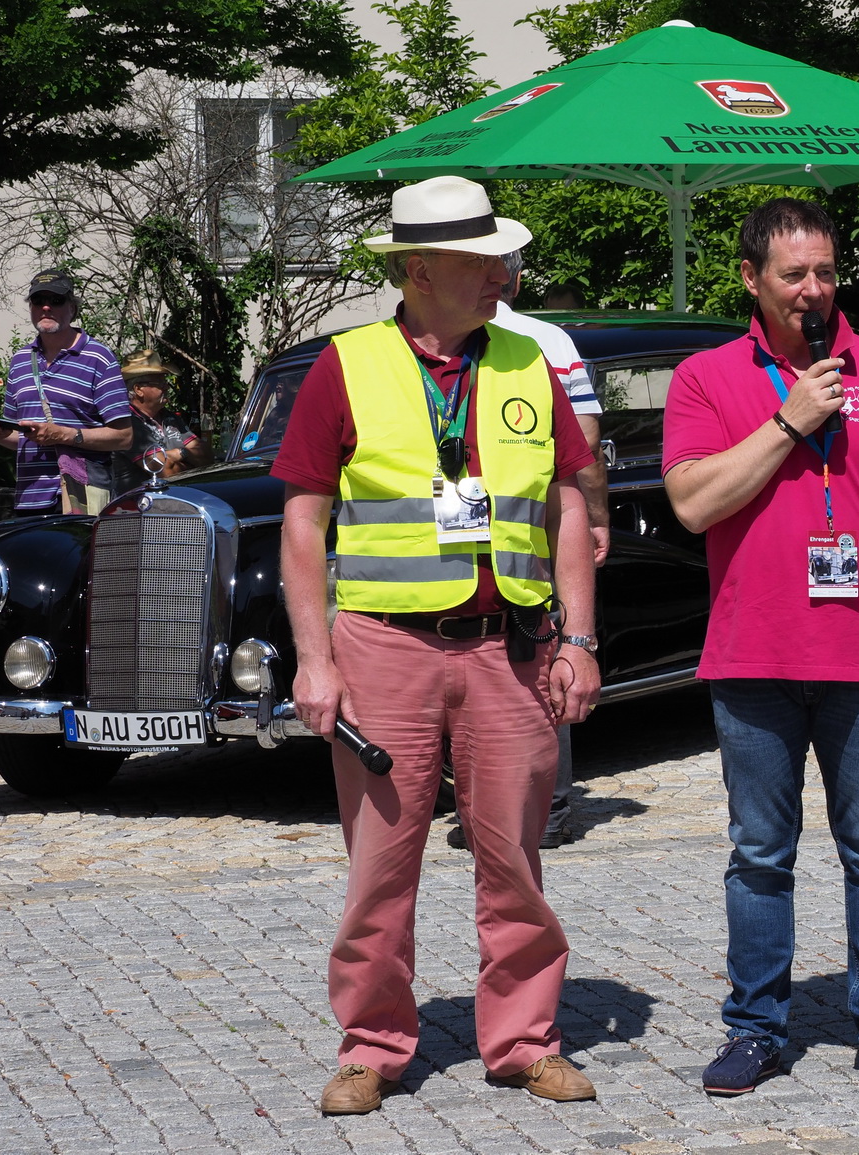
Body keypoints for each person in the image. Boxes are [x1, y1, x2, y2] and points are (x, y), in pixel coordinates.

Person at [274, 175, 602, 1115]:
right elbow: (304, 523)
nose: (503, 271)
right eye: (482, 258)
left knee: (517, 860)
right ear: (420, 270)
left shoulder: (527, 363)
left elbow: (570, 500)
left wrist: (579, 634)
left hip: (513, 647)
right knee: (382, 864)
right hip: (385, 650)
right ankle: (372, 1044)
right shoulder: (345, 365)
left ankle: (526, 1038)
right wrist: (314, 657)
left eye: (502, 255)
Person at [661, 197, 859, 1102]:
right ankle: (755, 1028)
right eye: (794, 274)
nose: (813, 290)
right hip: (752, 659)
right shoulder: (705, 378)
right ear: (753, 279)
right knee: (759, 852)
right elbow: (695, 503)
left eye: (825, 271)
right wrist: (790, 420)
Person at [459, 248, 611, 850]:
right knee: (544, 659)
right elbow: (587, 443)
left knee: (469, 667)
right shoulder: (547, 339)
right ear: (516, 277)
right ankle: (547, 809)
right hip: (536, 531)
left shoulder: (423, 343)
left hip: (452, 542)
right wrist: (595, 519)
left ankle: (478, 808)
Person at [0, 269, 132, 513]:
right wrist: (0, 436)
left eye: (56, 300)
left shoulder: (98, 358)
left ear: (72, 308)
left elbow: (124, 437)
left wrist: (65, 435)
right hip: (29, 500)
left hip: (81, 498)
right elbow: (22, 439)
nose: (46, 307)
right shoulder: (20, 360)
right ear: (31, 307)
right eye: (38, 300)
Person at [112, 349, 212, 491]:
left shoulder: (170, 418)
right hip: (141, 508)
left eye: (165, 381)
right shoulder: (128, 423)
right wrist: (186, 456)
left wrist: (179, 454)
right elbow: (166, 472)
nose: (166, 386)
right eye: (159, 382)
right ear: (138, 389)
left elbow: (206, 456)